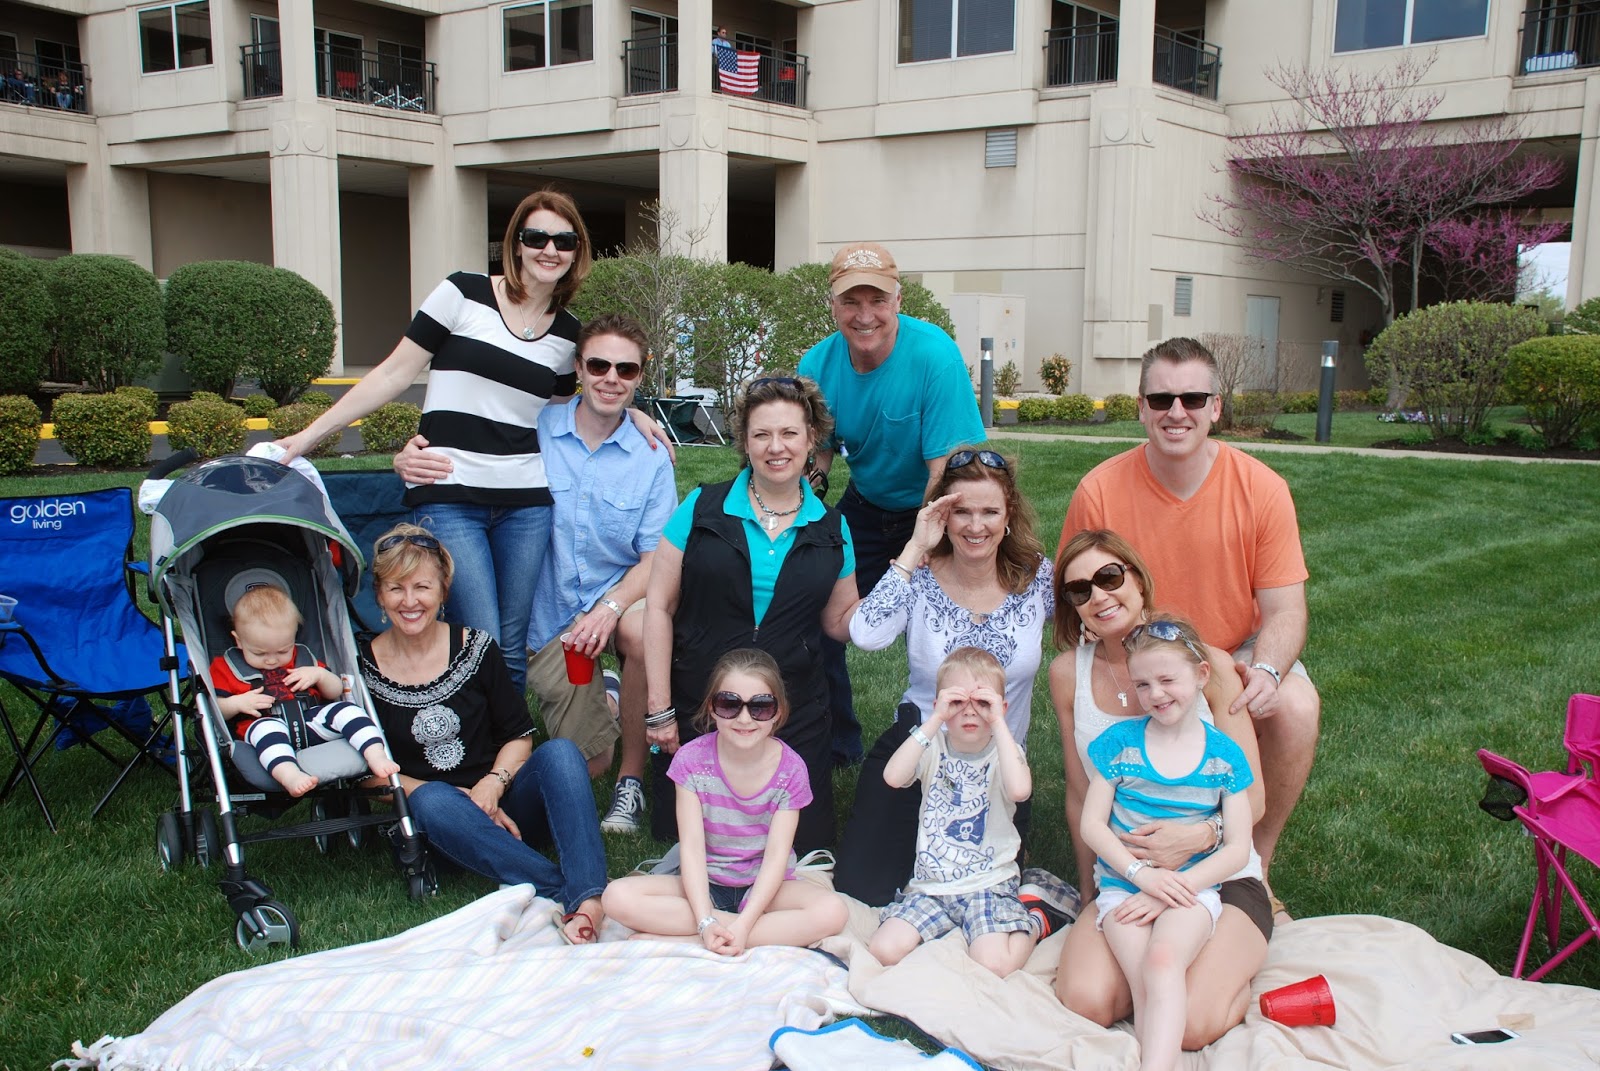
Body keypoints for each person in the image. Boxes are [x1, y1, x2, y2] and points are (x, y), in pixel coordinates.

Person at [277, 189, 663, 693]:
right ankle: (482, 732)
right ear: (516, 243)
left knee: (510, 643)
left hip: (526, 504)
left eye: (563, 241)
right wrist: (307, 437)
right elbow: (394, 373)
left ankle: (513, 737)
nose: (549, 249)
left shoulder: (568, 335)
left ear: (576, 252)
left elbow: (565, 410)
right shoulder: (462, 293)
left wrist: (630, 411)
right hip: (450, 493)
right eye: (537, 237)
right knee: (481, 636)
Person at [1059, 336, 1318, 884]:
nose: (1176, 412)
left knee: (1295, 704)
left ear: (1216, 407)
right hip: (1139, 650)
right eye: (1161, 399)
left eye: (1193, 399)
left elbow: (1287, 610)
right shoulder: (1099, 490)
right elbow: (1077, 589)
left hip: (1234, 650)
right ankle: (1126, 849)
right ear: (1141, 407)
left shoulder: (1262, 489)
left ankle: (1255, 862)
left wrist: (1266, 671)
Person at [1050, 529, 1268, 1049]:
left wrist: (1200, 836)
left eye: (1109, 577)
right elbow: (1080, 795)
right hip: (1125, 873)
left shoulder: (1206, 664)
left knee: (1192, 1025)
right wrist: (1092, 892)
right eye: (1080, 590)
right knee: (1086, 999)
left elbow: (1253, 797)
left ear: (1138, 579)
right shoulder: (1067, 674)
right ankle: (1156, 982)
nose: (1099, 596)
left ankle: (1227, 976)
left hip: (1215, 875)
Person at [357, 524, 607, 944]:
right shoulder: (363, 668)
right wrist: (461, 801)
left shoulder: (476, 647)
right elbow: (367, 776)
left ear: (443, 591)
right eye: (396, 588)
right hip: (438, 823)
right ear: (380, 596)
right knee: (432, 799)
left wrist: (492, 785)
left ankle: (589, 895)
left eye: (422, 587)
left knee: (561, 752)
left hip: (503, 801)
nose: (410, 601)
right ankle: (565, 890)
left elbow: (519, 735)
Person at [643, 375, 858, 855]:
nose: (776, 447)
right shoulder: (701, 507)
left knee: (807, 853)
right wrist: (659, 710)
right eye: (762, 434)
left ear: (811, 438)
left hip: (794, 712)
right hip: (703, 706)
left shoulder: (833, 527)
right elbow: (658, 606)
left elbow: (839, 621)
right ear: (745, 440)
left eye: (789, 433)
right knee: (687, 848)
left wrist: (904, 582)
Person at [834, 448, 1053, 905]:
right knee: (863, 891)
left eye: (989, 511)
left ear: (1008, 515)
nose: (976, 526)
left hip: (999, 765)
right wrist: (915, 547)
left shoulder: (1035, 579)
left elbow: (1092, 615)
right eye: (961, 511)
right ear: (942, 515)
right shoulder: (920, 576)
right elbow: (865, 634)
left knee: (981, 899)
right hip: (917, 752)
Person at [798, 241, 985, 766]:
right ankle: (835, 745)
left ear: (898, 300)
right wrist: (806, 507)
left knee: (941, 626)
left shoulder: (933, 355)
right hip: (865, 503)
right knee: (813, 602)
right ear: (833, 306)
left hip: (933, 501)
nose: (865, 315)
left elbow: (945, 470)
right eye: (850, 302)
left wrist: (921, 545)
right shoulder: (817, 363)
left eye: (877, 300)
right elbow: (819, 453)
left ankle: (955, 743)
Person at [1081, 615, 1254, 1071]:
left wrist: (1173, 889)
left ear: (1200, 675)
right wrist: (1141, 876)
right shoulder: (1119, 744)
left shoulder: (1223, 757)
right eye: (1143, 685)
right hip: (1123, 885)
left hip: (1191, 890)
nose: (1155, 694)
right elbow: (1092, 826)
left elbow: (1238, 847)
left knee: (1162, 961)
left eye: (1167, 680)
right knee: (1143, 974)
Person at [527, 314, 677, 834]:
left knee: (642, 630)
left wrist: (610, 608)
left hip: (620, 599)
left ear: (640, 376)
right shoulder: (539, 429)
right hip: (552, 616)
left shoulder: (651, 455)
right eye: (599, 365)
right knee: (589, 761)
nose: (611, 378)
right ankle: (611, 695)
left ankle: (630, 782)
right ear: (578, 368)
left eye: (626, 369)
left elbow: (656, 556)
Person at [602, 649, 848, 952]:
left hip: (766, 890)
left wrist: (745, 924)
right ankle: (718, 931)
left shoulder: (791, 769)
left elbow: (775, 859)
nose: (744, 718)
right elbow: (692, 849)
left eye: (760, 707)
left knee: (833, 911)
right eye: (729, 704)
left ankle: (691, 938)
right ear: (712, 708)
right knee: (616, 897)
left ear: (778, 712)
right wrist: (705, 919)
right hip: (703, 883)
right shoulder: (691, 760)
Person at [868, 647, 1067, 978]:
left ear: (1001, 708)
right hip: (931, 886)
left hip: (988, 883)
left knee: (994, 964)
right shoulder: (932, 747)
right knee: (883, 950)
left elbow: (1020, 791)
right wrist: (934, 720)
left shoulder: (1005, 752)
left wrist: (999, 723)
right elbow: (892, 776)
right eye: (958, 702)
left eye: (983, 703)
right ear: (940, 705)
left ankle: (1036, 918)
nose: (970, 711)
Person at [210, 584, 398, 797]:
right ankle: (290, 775)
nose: (272, 660)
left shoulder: (303, 658)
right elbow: (215, 709)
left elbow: (335, 691)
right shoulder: (227, 667)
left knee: (348, 711)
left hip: (310, 720)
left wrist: (320, 675)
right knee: (265, 730)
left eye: (283, 650)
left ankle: (376, 755)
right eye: (259, 653)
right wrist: (237, 703)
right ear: (238, 640)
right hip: (264, 724)